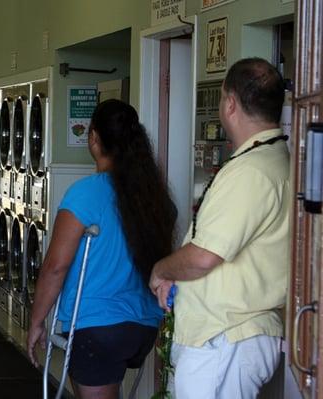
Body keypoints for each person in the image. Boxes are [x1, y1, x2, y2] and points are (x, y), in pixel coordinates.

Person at [149, 58, 289, 398]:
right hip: (231, 337)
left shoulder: (252, 171)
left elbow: (203, 257)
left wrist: (161, 269)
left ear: (229, 104)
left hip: (225, 338)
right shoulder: (273, 158)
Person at [27, 99, 176, 399]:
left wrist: (36, 321)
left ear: (93, 138)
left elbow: (56, 266)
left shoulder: (84, 194)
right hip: (144, 326)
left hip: (96, 328)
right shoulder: (153, 196)